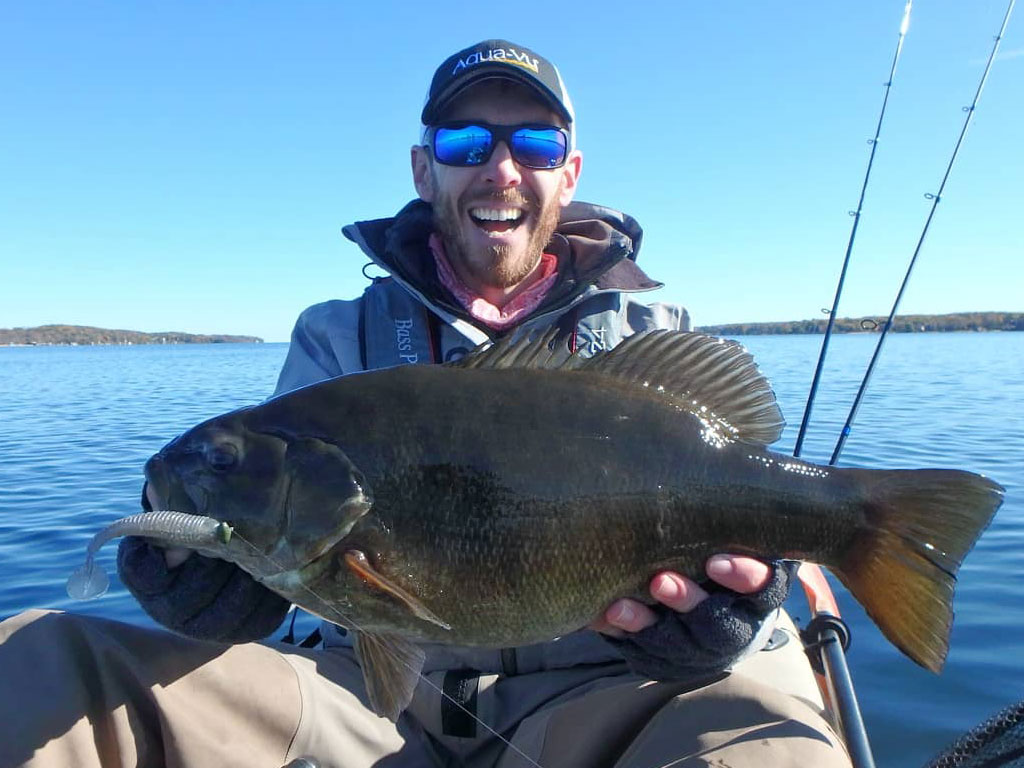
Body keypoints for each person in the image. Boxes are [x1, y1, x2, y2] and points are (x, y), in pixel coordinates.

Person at [0, 40, 850, 768]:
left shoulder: (651, 339)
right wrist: (218, 591)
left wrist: (735, 610)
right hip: (363, 711)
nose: (501, 167)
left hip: (610, 701)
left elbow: (737, 524)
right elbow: (283, 558)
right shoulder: (336, 342)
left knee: (778, 743)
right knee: (32, 659)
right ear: (422, 165)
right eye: (465, 139)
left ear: (571, 171)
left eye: (537, 142)